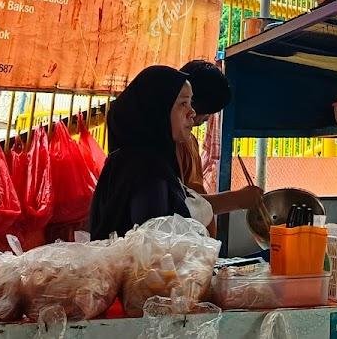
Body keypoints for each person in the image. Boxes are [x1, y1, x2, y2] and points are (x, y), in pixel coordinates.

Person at [89, 65, 261, 239]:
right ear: (158, 109)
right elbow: (156, 246)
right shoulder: (146, 171)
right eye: (183, 104)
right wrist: (237, 200)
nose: (193, 113)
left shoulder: (146, 162)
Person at [176, 59, 232, 236]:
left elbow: (195, 194)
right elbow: (182, 205)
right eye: (184, 103)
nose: (207, 118)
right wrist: (238, 200)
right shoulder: (170, 146)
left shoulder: (189, 140)